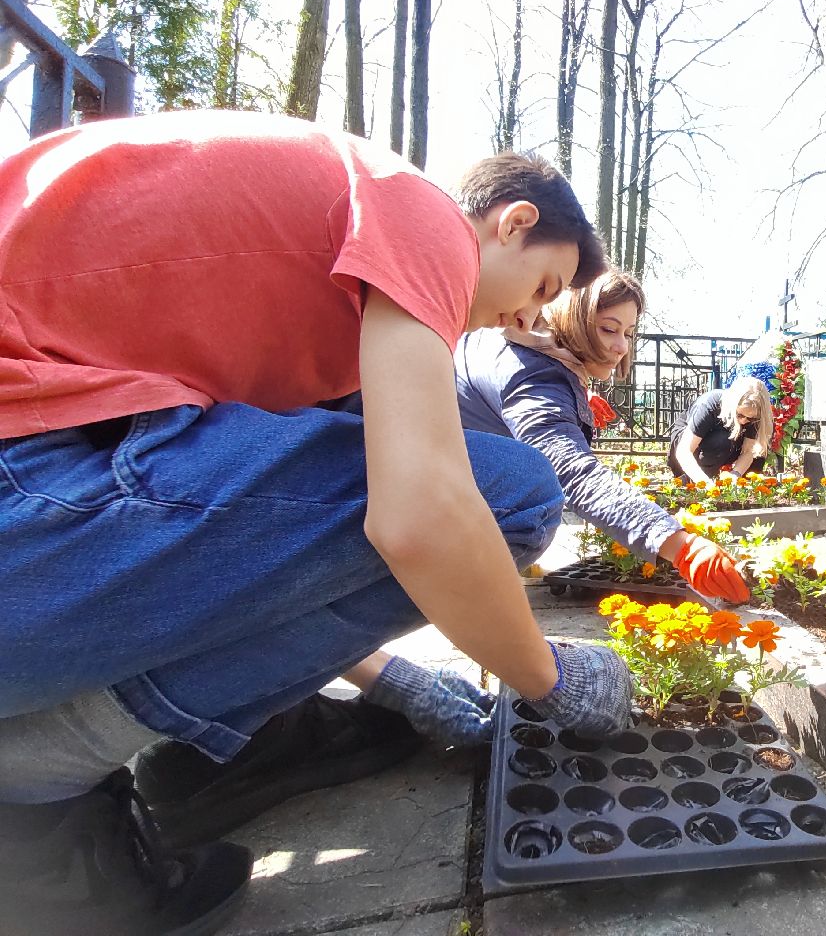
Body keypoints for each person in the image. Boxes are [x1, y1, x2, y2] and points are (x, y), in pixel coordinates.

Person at [0, 111, 634, 936]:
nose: (522, 321)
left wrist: (386, 677)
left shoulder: (316, 278)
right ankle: (34, 774)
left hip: (34, 531)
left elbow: (284, 543)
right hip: (26, 503)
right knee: (506, 493)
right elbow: (421, 519)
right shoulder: (420, 214)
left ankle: (204, 750)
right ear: (512, 223)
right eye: (542, 288)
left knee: (394, 457)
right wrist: (546, 675)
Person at [450, 267, 750, 604]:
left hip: (427, 469)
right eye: (609, 329)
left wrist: (575, 401)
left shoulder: (525, 341)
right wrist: (681, 546)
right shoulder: (536, 380)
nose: (621, 346)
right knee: (537, 504)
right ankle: (465, 600)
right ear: (571, 318)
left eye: (629, 333)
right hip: (425, 494)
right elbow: (572, 473)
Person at [668, 375, 775, 482]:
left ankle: (744, 490)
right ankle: (691, 480)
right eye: (740, 415)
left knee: (758, 452)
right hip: (688, 447)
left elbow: (748, 451)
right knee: (722, 440)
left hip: (726, 446)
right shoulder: (709, 405)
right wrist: (703, 482)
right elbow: (684, 451)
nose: (743, 421)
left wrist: (735, 475)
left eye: (751, 419)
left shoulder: (756, 414)